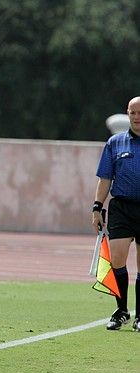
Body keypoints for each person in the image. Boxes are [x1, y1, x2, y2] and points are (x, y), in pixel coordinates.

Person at [92, 96, 140, 332]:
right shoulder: (115, 142)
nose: (137, 117)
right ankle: (122, 310)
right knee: (117, 260)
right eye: (133, 113)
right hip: (120, 207)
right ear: (127, 114)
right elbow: (105, 178)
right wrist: (96, 207)